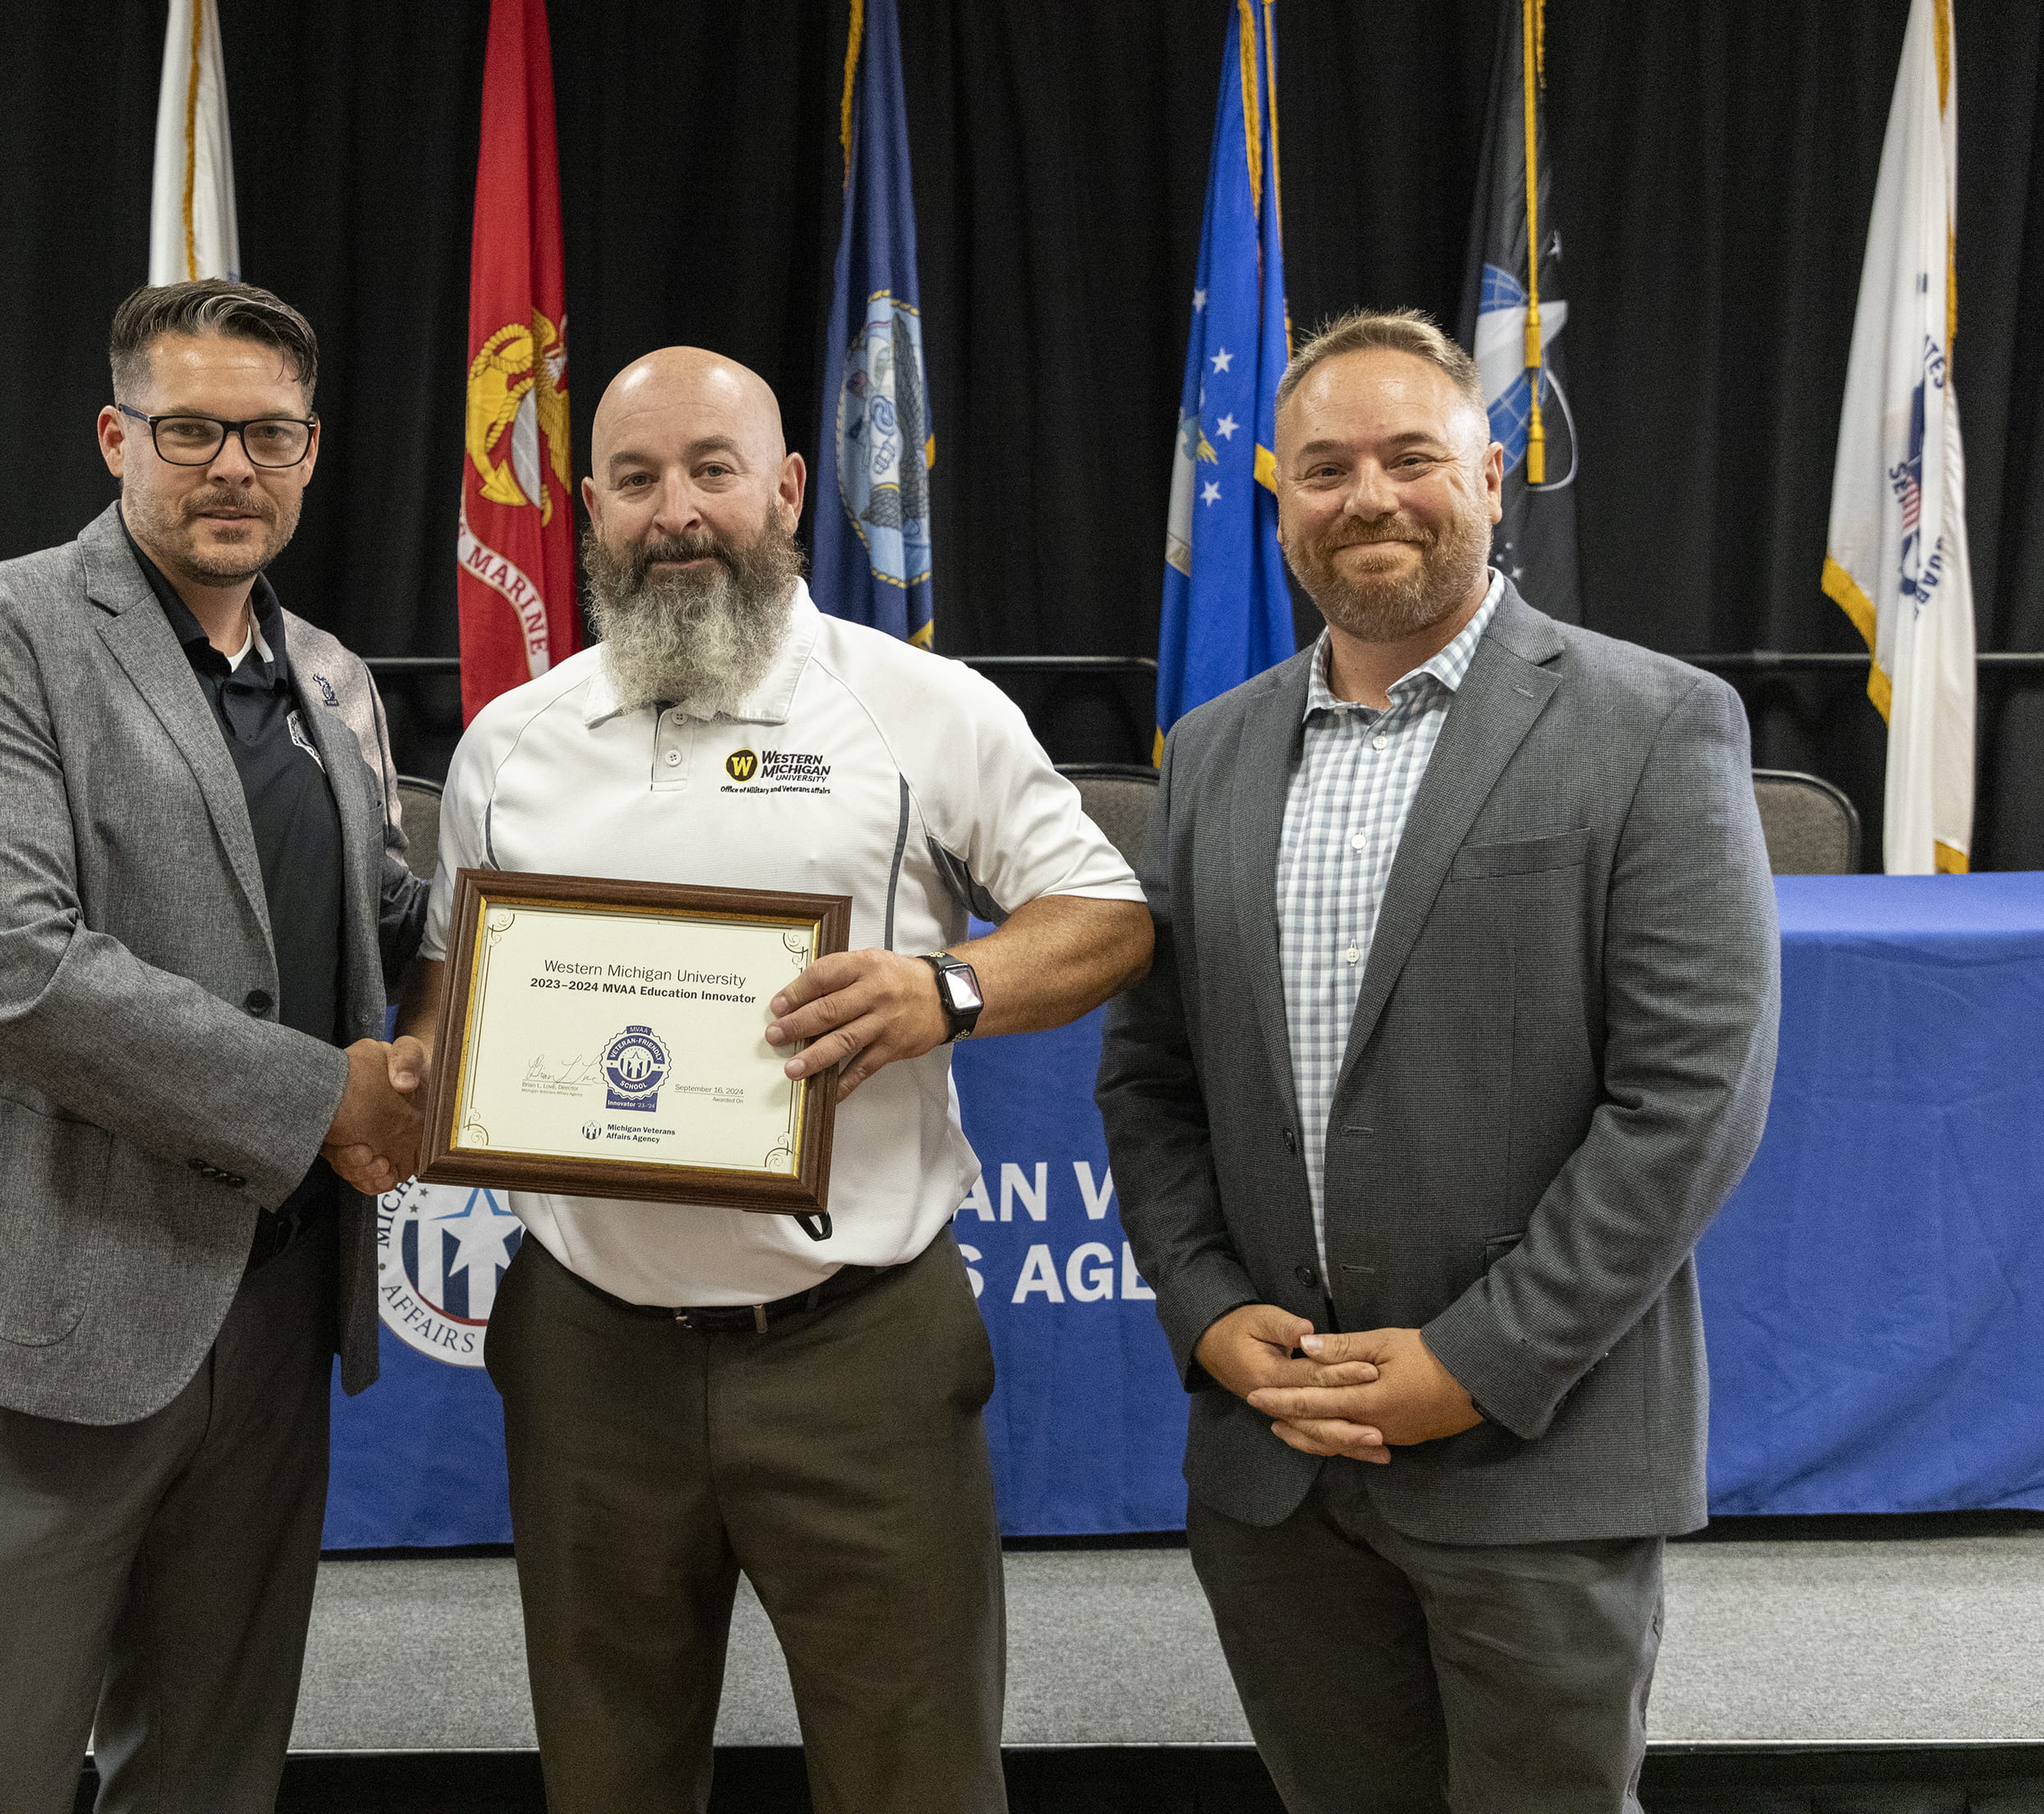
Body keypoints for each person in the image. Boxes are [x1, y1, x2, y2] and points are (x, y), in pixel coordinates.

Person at [397, 346, 1151, 1814]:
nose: (675, 511)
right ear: (588, 508)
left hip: (855, 1344)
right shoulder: (509, 742)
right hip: (588, 1347)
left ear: (787, 489)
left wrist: (949, 989)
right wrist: (420, 1076)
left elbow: (1107, 916)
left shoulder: (923, 708)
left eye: (713, 470)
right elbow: (450, 984)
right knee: (607, 1779)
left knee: (917, 1779)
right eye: (634, 479)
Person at [1097, 309, 1779, 1813]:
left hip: (1535, 1457)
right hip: (1277, 1472)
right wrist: (1209, 1315)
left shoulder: (1656, 724)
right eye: (1326, 468)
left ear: (1489, 476)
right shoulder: (1208, 750)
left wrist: (1472, 1365)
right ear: (1280, 499)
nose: (1371, 497)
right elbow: (1152, 1080)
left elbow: (1691, 1101)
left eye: (1413, 457)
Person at [0, 278, 427, 1813]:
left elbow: (402, 922)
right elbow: (11, 973)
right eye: (191, 429)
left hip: (277, 1303)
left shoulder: (337, 680)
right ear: (117, 436)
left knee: (211, 1766)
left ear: (311, 451)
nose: (233, 466)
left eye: (270, 434)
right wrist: (331, 1094)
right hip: (47, 1295)